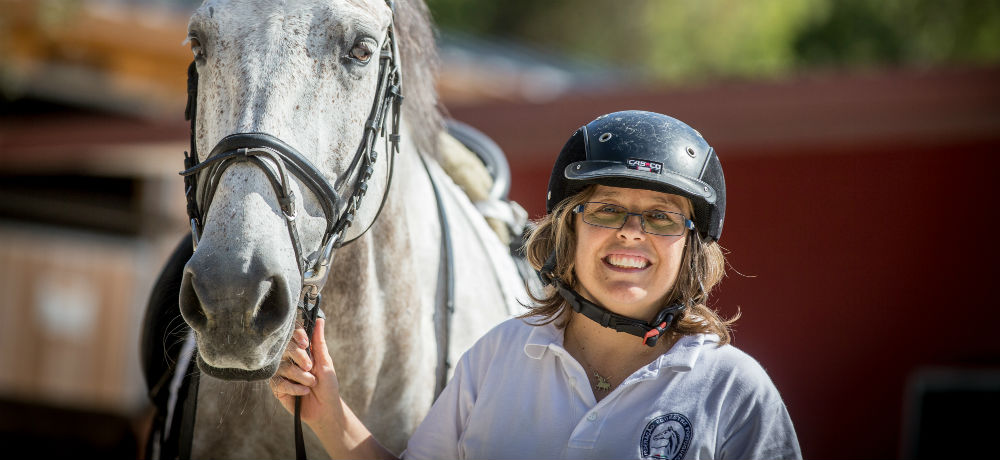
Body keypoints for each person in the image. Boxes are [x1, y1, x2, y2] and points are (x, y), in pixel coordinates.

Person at [270, 110, 802, 459]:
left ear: (691, 247)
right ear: (566, 230)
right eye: (607, 209)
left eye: (662, 217)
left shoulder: (735, 392)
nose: (631, 233)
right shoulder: (496, 358)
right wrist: (328, 415)